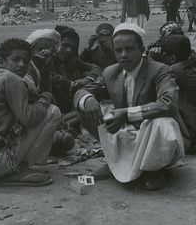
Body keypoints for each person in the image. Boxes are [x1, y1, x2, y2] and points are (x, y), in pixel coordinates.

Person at [74, 23, 187, 190]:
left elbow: (168, 104)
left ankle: (153, 169)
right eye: (118, 50)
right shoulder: (111, 72)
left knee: (163, 122)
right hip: (127, 130)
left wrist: (127, 114)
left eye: (129, 49)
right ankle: (113, 159)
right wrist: (87, 98)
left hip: (151, 133)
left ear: (141, 49)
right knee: (84, 107)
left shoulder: (160, 70)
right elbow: (81, 92)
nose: (123, 55)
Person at [0, 38, 61, 186]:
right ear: (1, 61)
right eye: (16, 60)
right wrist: (46, 97)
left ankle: (15, 167)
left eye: (26, 61)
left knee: (33, 114)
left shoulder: (0, 76)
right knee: (53, 112)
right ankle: (18, 169)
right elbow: (29, 118)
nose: (22, 65)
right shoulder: (12, 79)